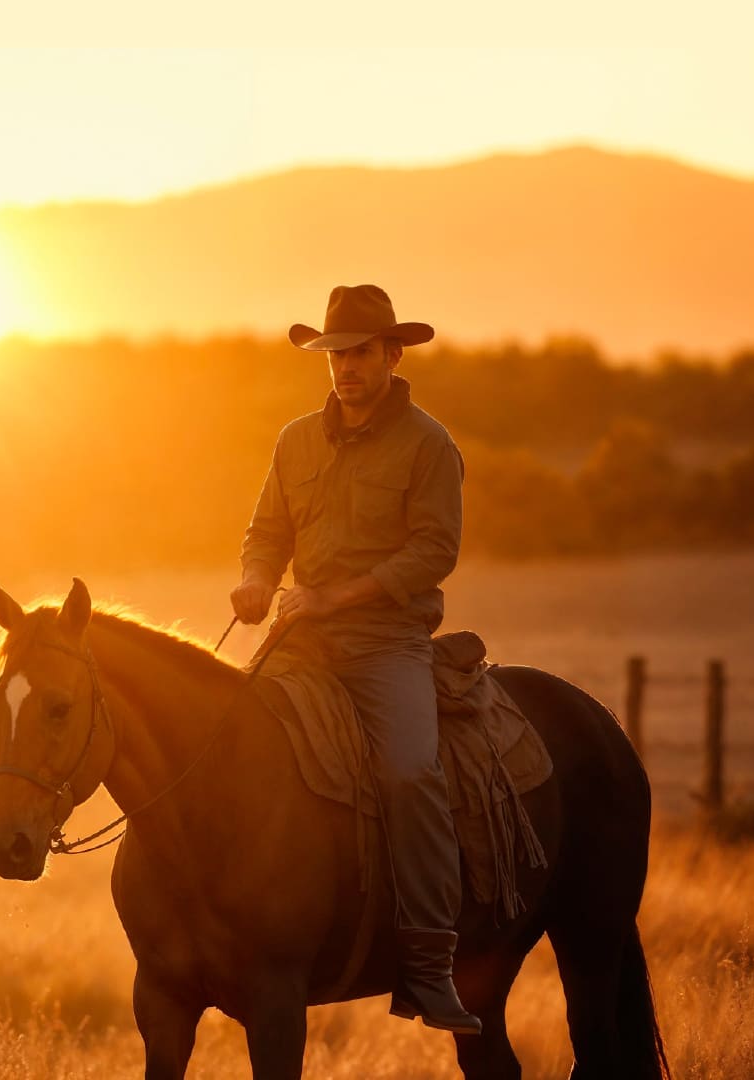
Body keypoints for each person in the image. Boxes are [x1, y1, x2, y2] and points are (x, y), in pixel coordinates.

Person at [231, 283, 479, 1034]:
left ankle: (429, 964)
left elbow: (434, 551)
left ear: (393, 355)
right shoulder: (295, 440)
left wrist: (334, 598)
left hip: (385, 642)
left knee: (408, 772)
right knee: (229, 740)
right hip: (302, 638)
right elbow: (266, 531)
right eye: (335, 354)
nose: (346, 366)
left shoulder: (429, 445)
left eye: (361, 352)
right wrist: (256, 580)